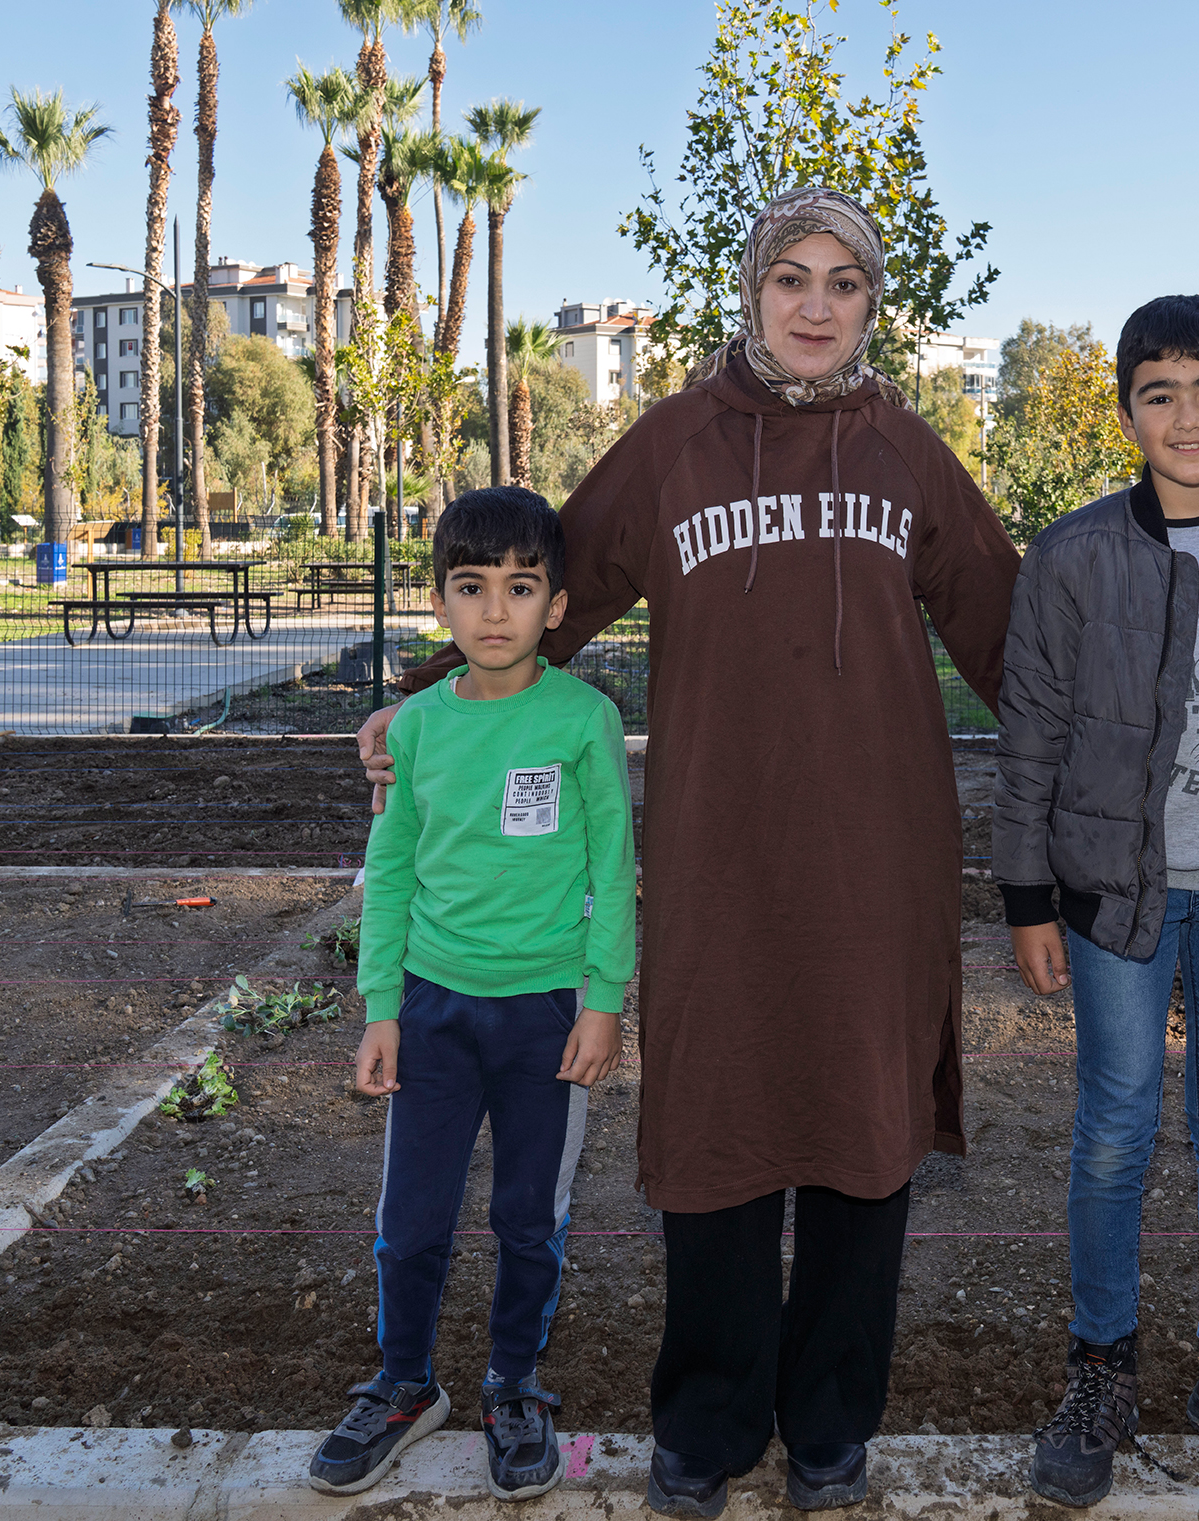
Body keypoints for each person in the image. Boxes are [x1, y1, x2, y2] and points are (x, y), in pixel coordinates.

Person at [358, 188, 1021, 1515]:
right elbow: (549, 591)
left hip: (878, 864)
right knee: (719, 1125)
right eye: (792, 278)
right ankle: (707, 1423)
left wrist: (1115, 774)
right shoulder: (672, 445)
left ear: (871, 303)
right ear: (752, 289)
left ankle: (829, 1423)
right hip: (720, 859)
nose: (817, 305)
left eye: (844, 282)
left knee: (861, 1131)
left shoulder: (907, 451)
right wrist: (424, 698)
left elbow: (1011, 639)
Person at [993, 295, 1199, 1510]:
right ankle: (1099, 1371)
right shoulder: (1074, 553)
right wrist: (1026, 895)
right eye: (1158, 394)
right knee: (1113, 1129)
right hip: (1115, 890)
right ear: (1128, 414)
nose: (1186, 417)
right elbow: (1030, 730)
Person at [309, 488, 635, 1502]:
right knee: (410, 1221)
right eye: (471, 586)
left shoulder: (584, 720)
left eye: (520, 587)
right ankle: (405, 1384)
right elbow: (390, 872)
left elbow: (615, 866)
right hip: (433, 1012)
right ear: (439, 602)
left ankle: (513, 1385)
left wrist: (602, 1000)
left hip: (547, 1016)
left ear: (556, 604)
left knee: (529, 1218)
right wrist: (381, 1009)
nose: (495, 610)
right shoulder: (413, 728)